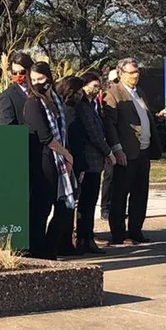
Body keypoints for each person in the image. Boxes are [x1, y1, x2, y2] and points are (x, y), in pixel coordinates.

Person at [103, 58, 166, 244]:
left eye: (137, 71)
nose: (135, 75)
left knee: (140, 194)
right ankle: (118, 234)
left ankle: (136, 231)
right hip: (126, 153)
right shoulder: (113, 94)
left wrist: (157, 117)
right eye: (131, 72)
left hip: (143, 151)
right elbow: (109, 125)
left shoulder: (140, 92)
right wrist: (117, 149)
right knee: (120, 194)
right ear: (121, 73)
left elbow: (143, 117)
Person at [23, 61, 76, 259]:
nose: (38, 83)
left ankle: (49, 246)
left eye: (41, 79)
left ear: (49, 78)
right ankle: (38, 249)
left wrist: (67, 155)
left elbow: (62, 131)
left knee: (64, 207)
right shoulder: (32, 103)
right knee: (42, 207)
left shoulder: (55, 100)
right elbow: (45, 137)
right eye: (34, 80)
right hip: (44, 158)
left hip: (60, 159)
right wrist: (66, 154)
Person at [70, 71, 116, 254]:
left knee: (90, 202)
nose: (98, 89)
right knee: (86, 202)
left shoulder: (93, 105)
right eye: (94, 86)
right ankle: (83, 238)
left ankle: (87, 237)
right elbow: (94, 133)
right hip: (88, 161)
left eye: (99, 86)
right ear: (84, 85)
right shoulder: (82, 106)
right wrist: (108, 152)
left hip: (95, 162)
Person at [99, 68, 120, 221]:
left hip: (119, 141)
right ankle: (105, 208)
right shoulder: (106, 96)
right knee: (109, 176)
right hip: (106, 143)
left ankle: (115, 207)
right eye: (115, 81)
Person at [0, 52, 34, 125]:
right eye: (14, 72)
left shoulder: (37, 89)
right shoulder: (7, 97)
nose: (18, 76)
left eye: (22, 72)